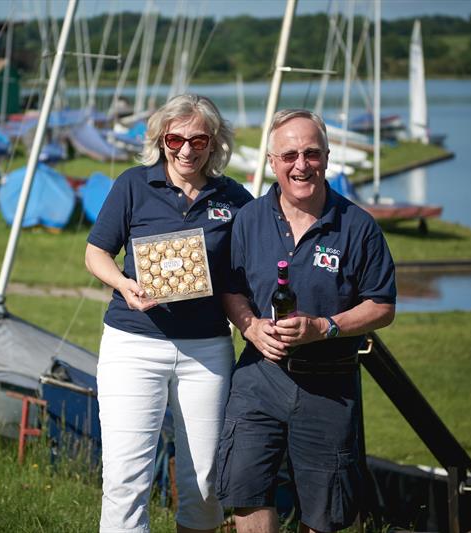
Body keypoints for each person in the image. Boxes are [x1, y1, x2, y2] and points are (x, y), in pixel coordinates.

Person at [216, 109, 396, 533]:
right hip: (259, 377)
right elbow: (230, 288)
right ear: (272, 162)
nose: (301, 165)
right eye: (290, 155)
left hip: (328, 385)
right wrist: (250, 326)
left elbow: (382, 306)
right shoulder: (249, 219)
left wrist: (324, 327)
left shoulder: (358, 227)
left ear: (328, 157)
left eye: (312, 153)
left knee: (325, 513)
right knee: (246, 493)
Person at [85, 93, 252, 533]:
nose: (186, 149)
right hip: (133, 344)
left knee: (206, 484)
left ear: (215, 143)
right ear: (161, 139)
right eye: (175, 138)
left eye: (199, 140)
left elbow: (253, 265)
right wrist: (123, 284)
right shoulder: (133, 184)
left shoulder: (233, 196)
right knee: (125, 478)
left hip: (208, 351)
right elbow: (97, 252)